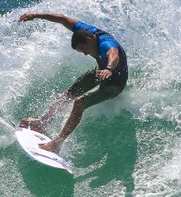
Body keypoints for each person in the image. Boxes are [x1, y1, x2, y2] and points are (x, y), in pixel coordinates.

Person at [18, 12, 128, 153]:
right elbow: (63, 19)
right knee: (68, 94)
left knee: (79, 103)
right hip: (101, 72)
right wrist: (36, 15)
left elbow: (114, 54)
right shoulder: (86, 31)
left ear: (89, 40)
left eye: (84, 50)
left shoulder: (107, 44)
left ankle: (57, 144)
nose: (86, 54)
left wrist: (109, 68)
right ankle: (43, 121)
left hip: (114, 83)